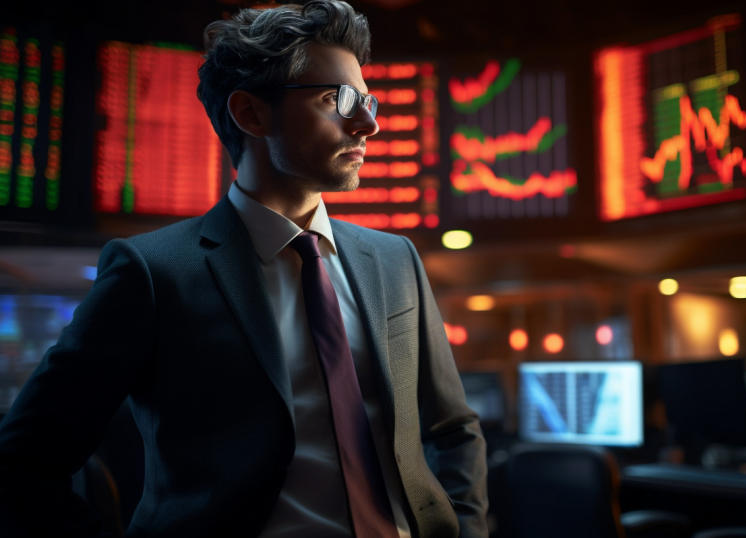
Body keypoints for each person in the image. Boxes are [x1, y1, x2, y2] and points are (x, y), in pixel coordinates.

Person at [0, 1, 488, 537]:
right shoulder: (154, 272)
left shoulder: (394, 260)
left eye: (365, 100)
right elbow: (26, 459)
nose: (368, 123)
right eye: (337, 99)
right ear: (251, 114)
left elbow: (451, 429)